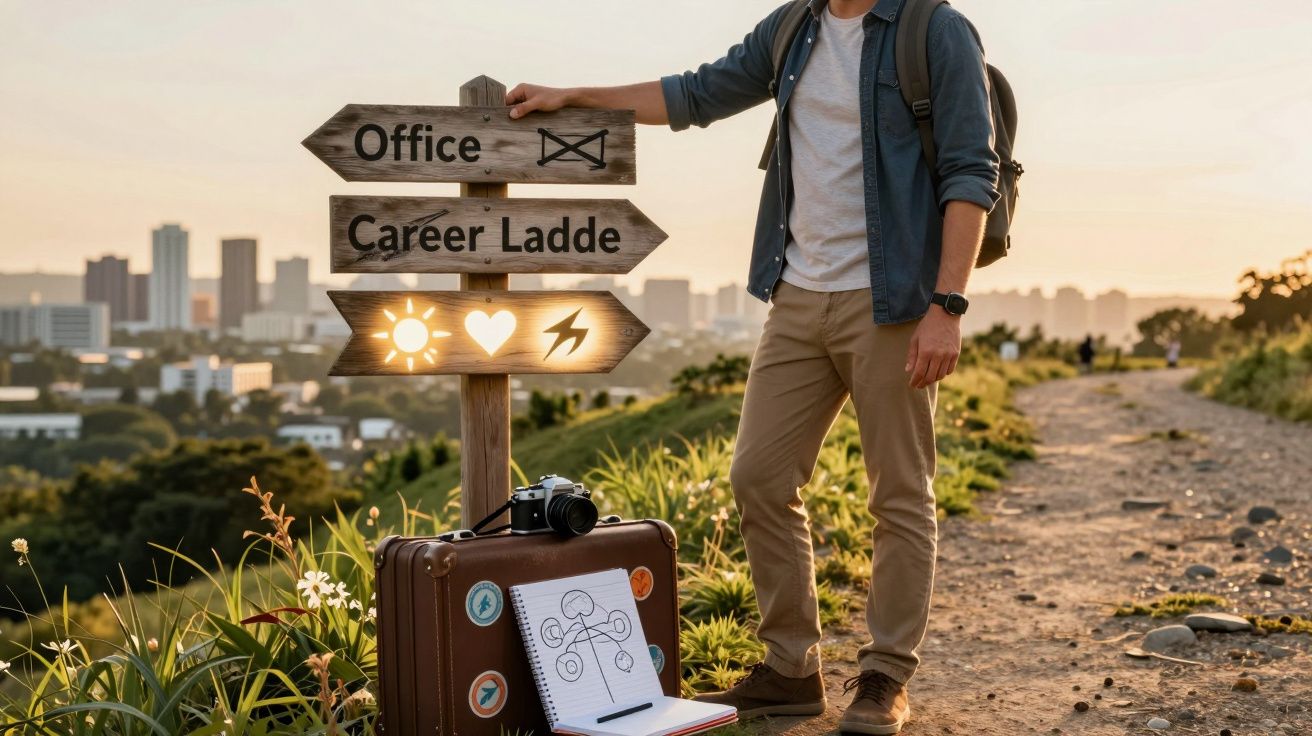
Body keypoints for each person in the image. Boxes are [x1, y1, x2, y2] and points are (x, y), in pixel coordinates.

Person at [507, 0, 998, 732]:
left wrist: (947, 304)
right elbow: (695, 93)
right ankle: (792, 668)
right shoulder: (793, 28)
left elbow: (970, 171)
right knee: (759, 476)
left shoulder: (935, 30)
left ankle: (886, 673)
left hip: (895, 300)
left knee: (900, 490)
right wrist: (576, 95)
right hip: (797, 295)